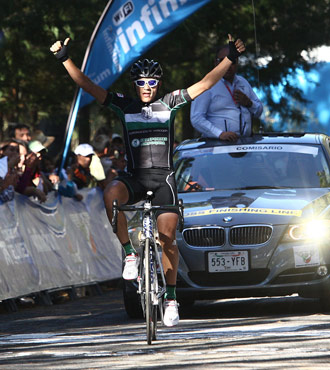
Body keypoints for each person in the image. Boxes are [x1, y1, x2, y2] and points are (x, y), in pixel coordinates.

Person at [50, 34, 245, 327]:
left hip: (163, 179)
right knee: (110, 195)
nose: (146, 87)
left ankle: (170, 298)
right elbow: (86, 85)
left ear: (159, 85)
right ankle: (130, 255)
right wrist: (64, 58)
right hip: (134, 178)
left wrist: (229, 57)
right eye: (141, 82)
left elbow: (206, 82)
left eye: (152, 82)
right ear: (134, 85)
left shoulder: (170, 103)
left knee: (167, 240)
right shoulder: (122, 105)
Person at [190, 44, 263, 141]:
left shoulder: (243, 82)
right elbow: (196, 118)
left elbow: (259, 111)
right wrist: (219, 134)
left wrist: (249, 103)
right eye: (223, 61)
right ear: (215, 62)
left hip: (245, 143)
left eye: (232, 61)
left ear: (237, 62)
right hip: (217, 145)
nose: (228, 65)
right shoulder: (207, 85)